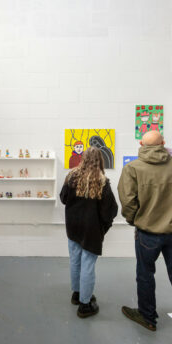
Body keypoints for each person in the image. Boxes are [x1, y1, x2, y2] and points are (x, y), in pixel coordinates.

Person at [118, 130, 172, 331]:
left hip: (147, 232)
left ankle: (147, 317)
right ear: (163, 143)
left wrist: (135, 220)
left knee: (145, 274)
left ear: (141, 144)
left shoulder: (132, 168)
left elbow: (128, 201)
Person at [60, 147, 118, 318]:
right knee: (87, 265)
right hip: (91, 230)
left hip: (73, 227)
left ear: (83, 159)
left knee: (75, 261)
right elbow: (110, 211)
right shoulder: (102, 181)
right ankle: (85, 305)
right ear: (100, 160)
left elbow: (63, 199)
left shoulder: (71, 177)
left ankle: (77, 294)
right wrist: (104, 226)